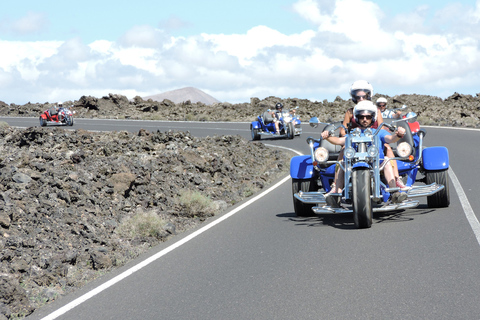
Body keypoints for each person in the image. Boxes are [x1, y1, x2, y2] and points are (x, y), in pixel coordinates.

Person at [321, 100, 408, 204]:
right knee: (342, 163)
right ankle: (336, 195)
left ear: (373, 118)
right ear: (357, 118)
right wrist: (328, 137)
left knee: (387, 161)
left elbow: (390, 139)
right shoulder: (353, 133)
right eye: (362, 117)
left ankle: (395, 192)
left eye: (368, 117)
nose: (365, 119)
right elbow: (339, 140)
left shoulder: (379, 131)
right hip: (354, 162)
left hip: (377, 162)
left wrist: (398, 135)